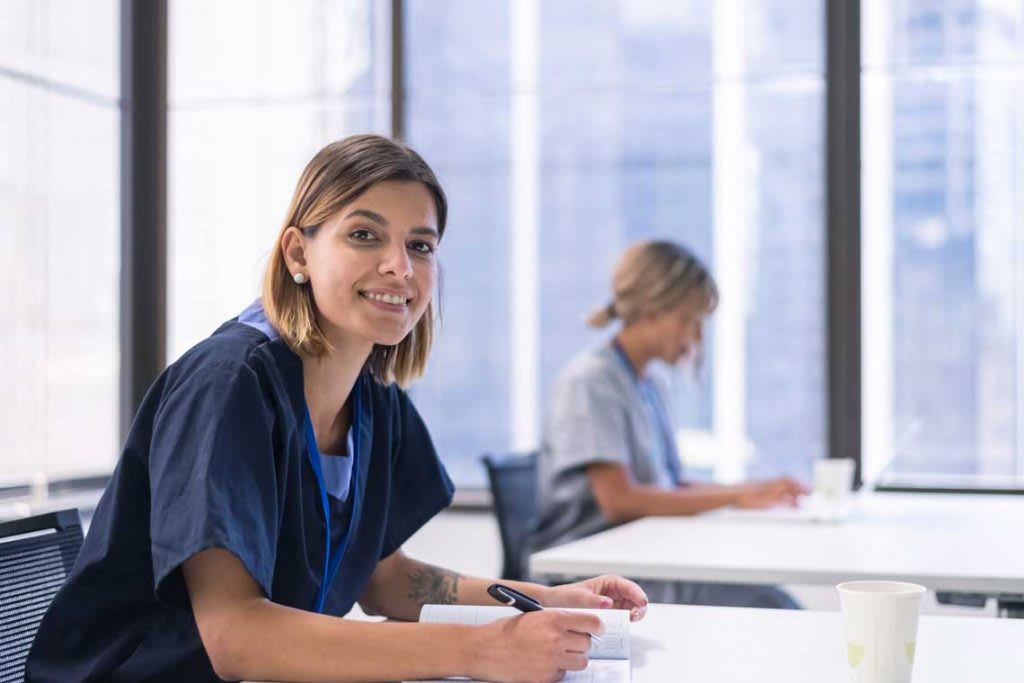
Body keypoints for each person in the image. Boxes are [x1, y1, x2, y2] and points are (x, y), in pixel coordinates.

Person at [26, 135, 648, 683]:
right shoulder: (228, 383)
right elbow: (237, 638)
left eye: (421, 245)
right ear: (298, 254)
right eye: (364, 235)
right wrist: (480, 650)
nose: (399, 267)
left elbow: (385, 580)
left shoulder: (374, 397)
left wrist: (548, 603)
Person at [534, 240, 808, 609]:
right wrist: (735, 496)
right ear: (650, 311)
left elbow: (669, 485)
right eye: (688, 321)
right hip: (592, 580)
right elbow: (620, 501)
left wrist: (750, 491)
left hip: (643, 557)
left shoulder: (650, 383)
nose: (696, 339)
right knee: (771, 605)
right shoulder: (590, 381)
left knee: (769, 595)